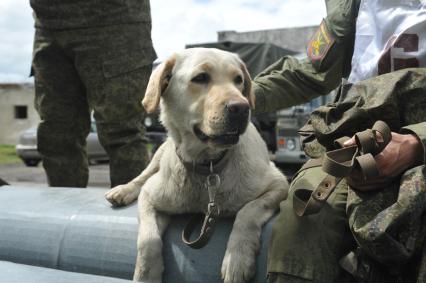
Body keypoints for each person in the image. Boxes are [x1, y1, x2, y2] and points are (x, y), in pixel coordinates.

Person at [252, 0, 426, 282]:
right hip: (353, 142)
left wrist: (416, 142)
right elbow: (311, 72)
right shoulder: (350, 6)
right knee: (303, 221)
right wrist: (238, 96)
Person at [30, 0, 156, 188]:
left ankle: (132, 215)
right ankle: (63, 214)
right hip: (48, 22)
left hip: (114, 20)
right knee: (57, 136)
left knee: (123, 134)